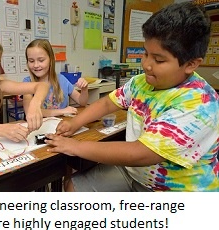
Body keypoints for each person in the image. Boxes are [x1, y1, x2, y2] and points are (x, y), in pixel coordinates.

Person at [45, 2, 219, 192]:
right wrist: (74, 123)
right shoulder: (142, 82)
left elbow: (141, 153)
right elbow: (106, 103)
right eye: (145, 53)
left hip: (176, 190)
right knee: (73, 187)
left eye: (159, 60)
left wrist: (76, 146)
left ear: (191, 64)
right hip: (133, 173)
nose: (146, 64)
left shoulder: (200, 103)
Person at [22, 39, 89, 117]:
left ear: (51, 60)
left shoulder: (61, 79)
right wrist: (62, 111)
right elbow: (30, 112)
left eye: (41, 60)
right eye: (31, 61)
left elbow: (82, 102)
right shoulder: (27, 82)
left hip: (62, 125)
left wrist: (84, 89)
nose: (36, 65)